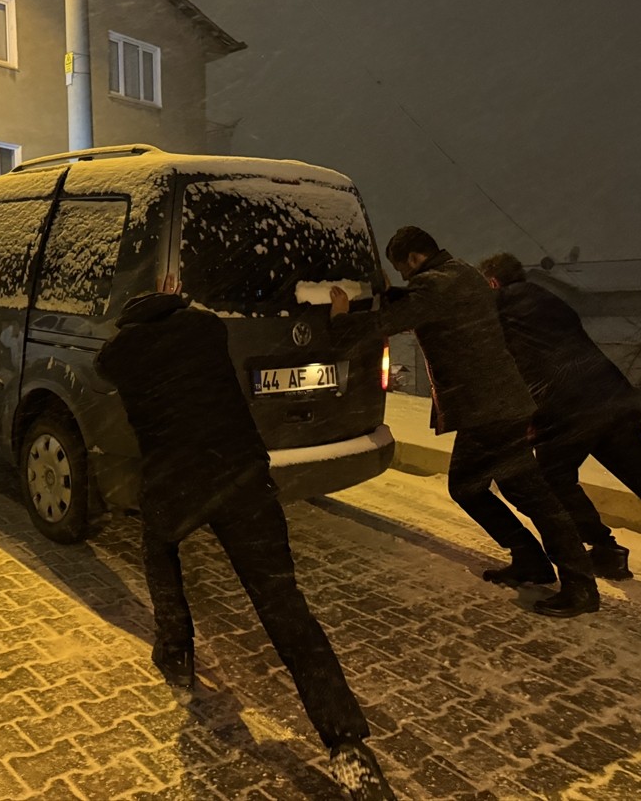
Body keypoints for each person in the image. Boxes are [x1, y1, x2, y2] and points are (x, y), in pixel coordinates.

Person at [94, 276, 396, 801]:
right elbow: (197, 321)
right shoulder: (203, 326)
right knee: (284, 605)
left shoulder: (120, 351)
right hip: (241, 476)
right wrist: (182, 299)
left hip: (177, 485)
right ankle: (347, 745)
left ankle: (175, 648)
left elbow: (104, 363)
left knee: (159, 548)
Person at [328, 227, 600, 618]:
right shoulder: (462, 274)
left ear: (414, 259)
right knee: (495, 488)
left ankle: (579, 585)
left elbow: (384, 322)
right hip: (499, 404)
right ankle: (533, 561)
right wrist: (391, 294)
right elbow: (417, 304)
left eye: (403, 270)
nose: (407, 278)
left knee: (513, 493)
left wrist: (340, 318)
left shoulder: (435, 287)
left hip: (488, 409)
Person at [478, 252, 641, 594]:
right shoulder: (552, 301)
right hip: (611, 395)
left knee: (550, 478)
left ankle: (603, 548)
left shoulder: (503, 303)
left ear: (493, 282)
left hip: (567, 406)